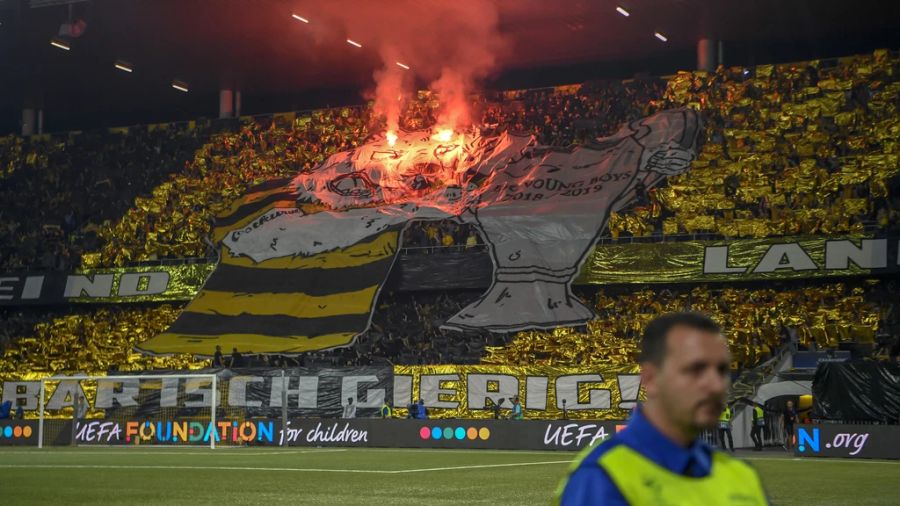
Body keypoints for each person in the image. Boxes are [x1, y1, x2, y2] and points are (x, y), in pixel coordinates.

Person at [555, 312, 768, 505]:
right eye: (696, 368)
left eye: (722, 370)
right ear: (650, 379)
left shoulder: (742, 476)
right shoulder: (603, 475)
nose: (716, 385)